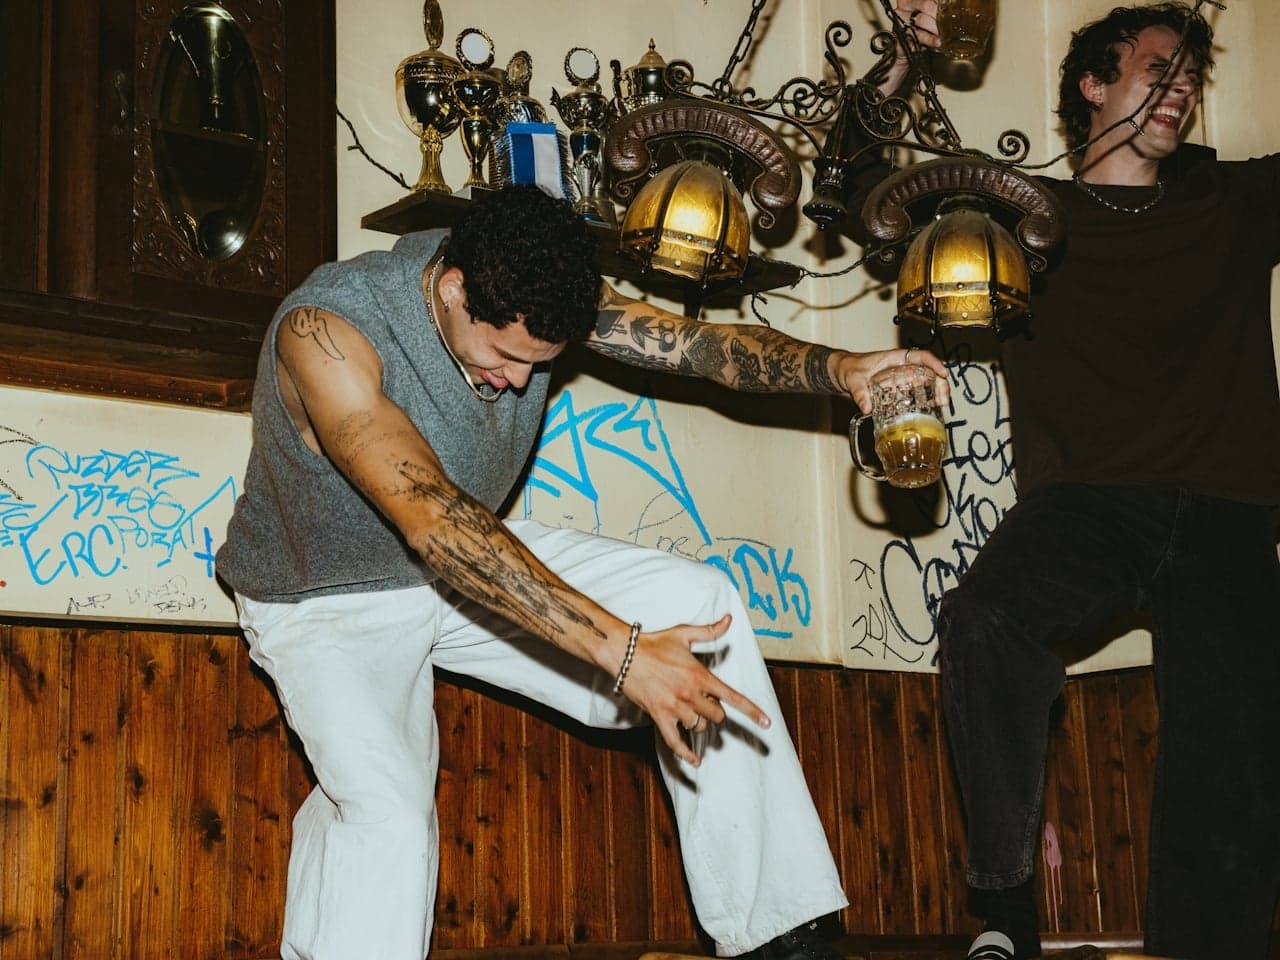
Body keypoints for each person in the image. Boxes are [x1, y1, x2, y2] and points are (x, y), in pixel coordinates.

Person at [215, 183, 950, 960]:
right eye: (505, 356)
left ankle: (783, 939)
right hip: (324, 598)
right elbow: (431, 519)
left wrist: (844, 370)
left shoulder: (534, 296)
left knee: (701, 608)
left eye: (542, 365)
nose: (520, 382)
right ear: (454, 289)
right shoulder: (327, 329)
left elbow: (702, 350)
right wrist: (624, 654)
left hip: (465, 558)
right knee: (386, 813)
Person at [867, 3, 1280, 959]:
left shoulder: (1231, 202)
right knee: (986, 620)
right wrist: (903, 56)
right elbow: (860, 186)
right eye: (1155, 71)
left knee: (1236, 740)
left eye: (1190, 79)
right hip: (1088, 504)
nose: (1178, 91)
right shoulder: (1020, 221)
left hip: (1227, 512)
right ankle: (1003, 922)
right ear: (1093, 85)